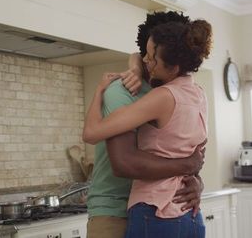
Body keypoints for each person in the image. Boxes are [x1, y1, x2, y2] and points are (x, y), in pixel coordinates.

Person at [83, 19, 212, 238]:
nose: (146, 60)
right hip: (124, 210)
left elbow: (91, 133)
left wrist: (196, 178)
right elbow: (191, 155)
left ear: (173, 64)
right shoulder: (198, 93)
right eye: (146, 54)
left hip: (154, 208)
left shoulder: (161, 95)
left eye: (152, 57)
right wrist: (187, 166)